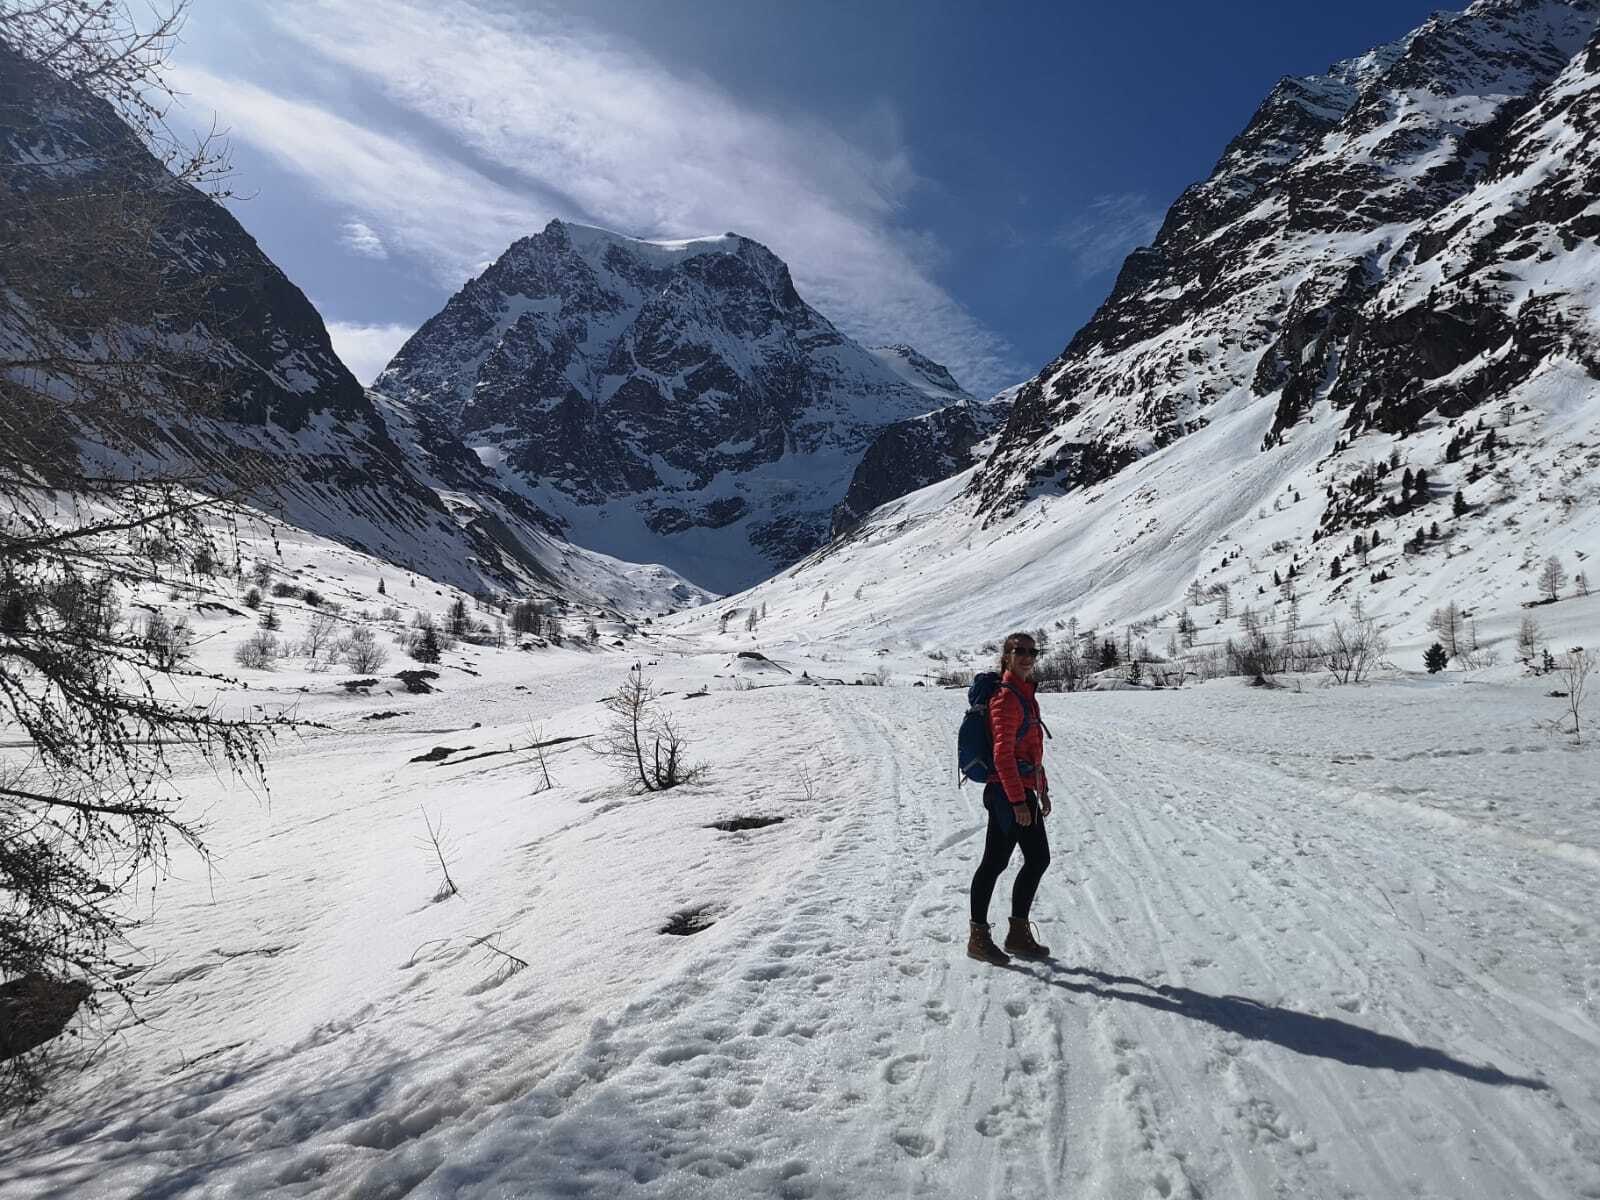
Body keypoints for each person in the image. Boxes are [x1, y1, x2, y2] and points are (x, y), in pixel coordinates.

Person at [968, 632, 1052, 964]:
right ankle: (980, 937)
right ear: (1006, 656)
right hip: (1007, 793)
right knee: (999, 862)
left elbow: (1030, 753)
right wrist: (1019, 802)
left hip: (1019, 789)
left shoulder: (1025, 694)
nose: (1027, 656)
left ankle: (1015, 934)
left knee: (1027, 860)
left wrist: (1041, 790)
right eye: (1020, 651)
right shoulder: (1006, 698)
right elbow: (1003, 757)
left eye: (1033, 651)